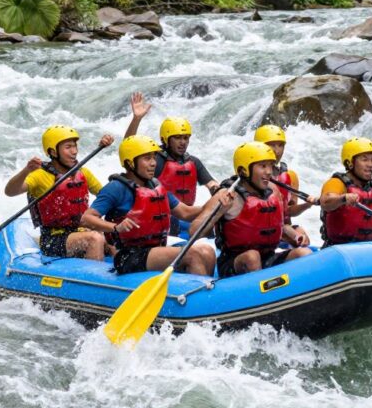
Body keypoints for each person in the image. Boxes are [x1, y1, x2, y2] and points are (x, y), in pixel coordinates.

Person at [80, 135, 217, 276]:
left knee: (207, 251)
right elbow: (87, 219)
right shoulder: (116, 188)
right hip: (128, 256)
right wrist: (115, 228)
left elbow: (185, 213)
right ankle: (197, 294)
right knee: (193, 254)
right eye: (147, 158)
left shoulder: (155, 186)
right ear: (130, 163)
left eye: (153, 158)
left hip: (155, 250)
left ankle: (207, 292)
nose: (153, 163)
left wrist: (216, 203)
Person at [193, 142, 312, 278]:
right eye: (262, 166)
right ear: (244, 170)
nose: (269, 172)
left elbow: (281, 227)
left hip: (268, 257)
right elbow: (194, 231)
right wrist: (219, 212)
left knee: (304, 254)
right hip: (235, 262)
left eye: (270, 166)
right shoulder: (227, 195)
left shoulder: (273, 190)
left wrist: (296, 237)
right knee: (252, 257)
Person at [4, 125, 114, 260]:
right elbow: (10, 192)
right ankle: (96, 278)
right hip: (53, 239)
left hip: (82, 230)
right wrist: (26, 170)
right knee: (94, 238)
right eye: (68, 147)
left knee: (114, 235)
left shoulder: (83, 172)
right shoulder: (39, 175)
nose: (74, 151)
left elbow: (107, 198)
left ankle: (127, 276)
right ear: (53, 152)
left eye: (75, 146)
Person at [124, 92, 219, 234]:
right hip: (159, 216)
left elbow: (211, 183)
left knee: (209, 224)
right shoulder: (154, 158)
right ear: (165, 139)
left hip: (186, 214)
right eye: (178, 138)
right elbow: (129, 147)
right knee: (173, 221)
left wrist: (217, 190)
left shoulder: (193, 162)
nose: (183, 142)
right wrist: (136, 119)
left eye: (186, 138)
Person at [253, 124, 318, 223]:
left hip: (281, 229)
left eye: (280, 145)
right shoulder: (249, 175)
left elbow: (288, 211)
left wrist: (308, 205)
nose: (277, 151)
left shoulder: (291, 176)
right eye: (271, 145)